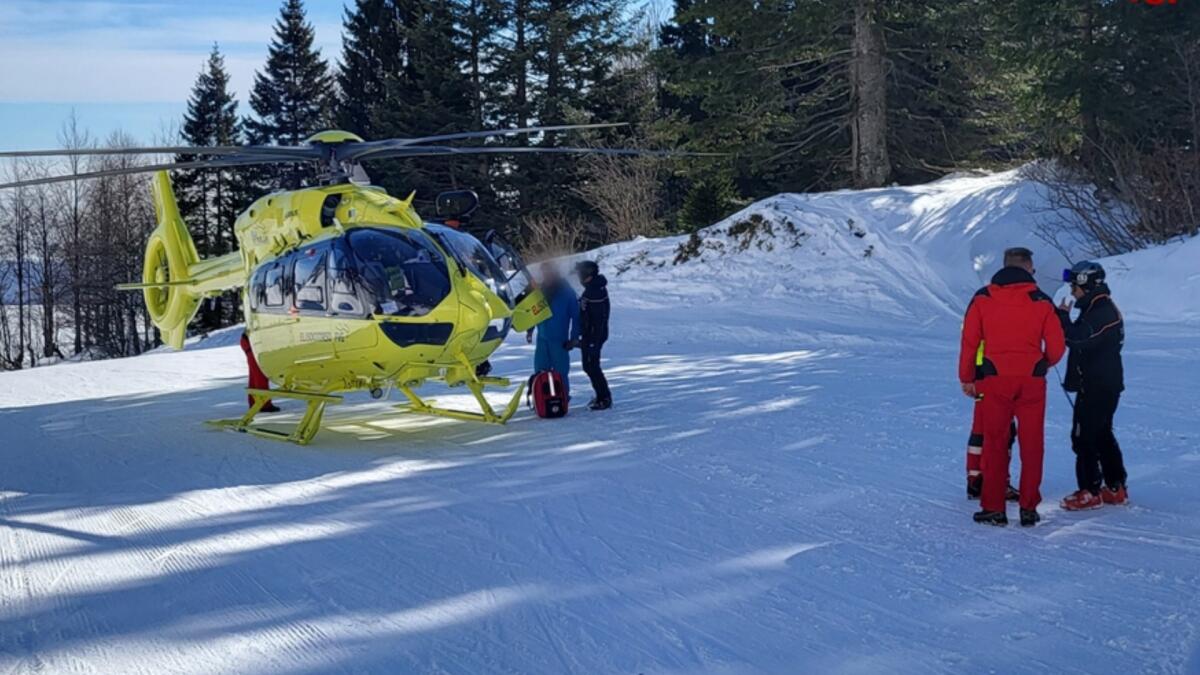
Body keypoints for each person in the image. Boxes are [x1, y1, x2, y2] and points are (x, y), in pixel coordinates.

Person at [958, 247, 1065, 527]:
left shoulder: (983, 298)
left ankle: (993, 507)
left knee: (995, 442)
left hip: (994, 379)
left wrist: (967, 377)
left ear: (1004, 267)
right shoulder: (1041, 300)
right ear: (1029, 269)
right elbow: (1056, 345)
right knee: (1033, 444)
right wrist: (1042, 363)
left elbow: (970, 342)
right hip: (1031, 379)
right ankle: (1029, 507)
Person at [1056, 261, 1128, 510]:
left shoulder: (1102, 310)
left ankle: (1090, 490)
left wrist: (1063, 317)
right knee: (1101, 434)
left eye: (1074, 286)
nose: (1072, 291)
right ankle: (1116, 486)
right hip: (1100, 383)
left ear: (1087, 286)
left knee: (1084, 436)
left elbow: (1077, 338)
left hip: (1099, 386)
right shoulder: (1095, 307)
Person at [526, 263, 581, 397]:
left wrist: (574, 338)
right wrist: (530, 329)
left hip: (559, 340)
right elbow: (534, 311)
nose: (546, 276)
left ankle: (563, 398)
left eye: (548, 273)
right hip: (542, 338)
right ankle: (541, 399)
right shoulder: (540, 290)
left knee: (561, 372)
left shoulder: (567, 292)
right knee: (540, 371)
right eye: (544, 273)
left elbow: (577, 316)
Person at [575, 260, 612, 410]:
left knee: (592, 366)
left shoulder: (595, 291)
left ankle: (604, 398)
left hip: (594, 336)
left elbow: (596, 318)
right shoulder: (593, 288)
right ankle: (601, 395)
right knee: (589, 366)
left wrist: (590, 339)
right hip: (592, 335)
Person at [238, 331, 279, 413]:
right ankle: (264, 405)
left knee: (255, 374)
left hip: (250, 341)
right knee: (260, 374)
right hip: (252, 342)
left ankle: (254, 403)